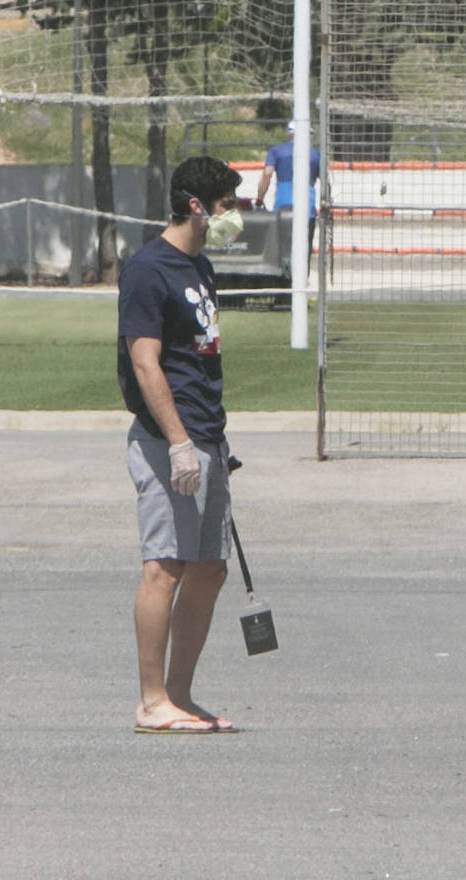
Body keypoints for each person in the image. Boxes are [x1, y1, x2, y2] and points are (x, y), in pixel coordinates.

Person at [117, 155, 244, 734]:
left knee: (209, 568)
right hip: (168, 441)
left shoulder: (200, 266)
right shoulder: (149, 270)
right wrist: (178, 443)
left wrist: (212, 442)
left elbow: (197, 360)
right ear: (197, 206)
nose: (233, 215)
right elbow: (146, 364)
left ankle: (179, 693)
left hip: (207, 436)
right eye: (226, 205)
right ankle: (149, 702)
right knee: (164, 567)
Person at [256, 120, 320, 258]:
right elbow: (326, 180)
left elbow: (267, 173)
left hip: (282, 208)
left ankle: (285, 278)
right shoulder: (315, 154)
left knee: (281, 251)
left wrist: (260, 198)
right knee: (304, 252)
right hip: (307, 207)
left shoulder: (276, 151)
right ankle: (303, 278)